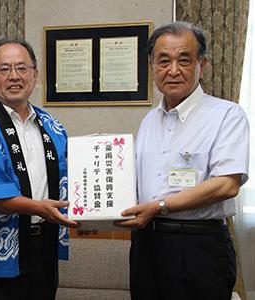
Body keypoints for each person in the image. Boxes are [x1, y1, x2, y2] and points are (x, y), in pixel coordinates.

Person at [116, 21, 249, 300]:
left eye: (184, 60)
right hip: (146, 244)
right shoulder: (150, 119)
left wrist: (159, 206)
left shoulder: (227, 115)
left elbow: (227, 185)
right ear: (152, 65)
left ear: (203, 64)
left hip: (198, 245)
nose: (173, 70)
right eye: (163, 61)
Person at [0, 38, 79, 300]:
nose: (14, 76)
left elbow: (73, 178)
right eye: (4, 69)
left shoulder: (52, 126)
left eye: (22, 68)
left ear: (35, 75)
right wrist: (37, 207)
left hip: (44, 247)